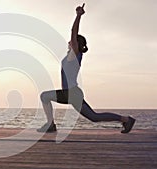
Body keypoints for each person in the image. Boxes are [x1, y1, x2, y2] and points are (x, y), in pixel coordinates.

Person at [37, 3, 135, 133]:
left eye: (72, 41)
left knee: (44, 96)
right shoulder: (71, 57)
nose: (69, 41)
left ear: (75, 43)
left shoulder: (74, 55)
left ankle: (51, 125)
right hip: (73, 93)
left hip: (71, 93)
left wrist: (78, 16)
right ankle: (126, 120)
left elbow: (73, 32)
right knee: (94, 117)